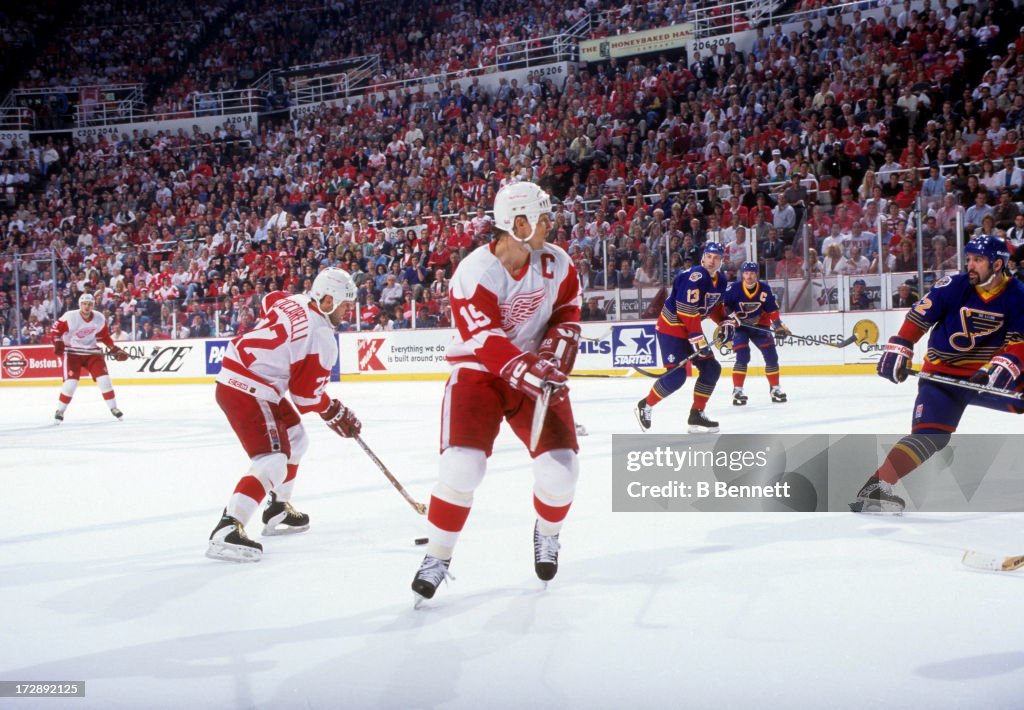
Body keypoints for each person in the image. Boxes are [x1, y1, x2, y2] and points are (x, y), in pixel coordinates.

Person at [411, 181, 581, 604]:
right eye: (541, 218)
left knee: (561, 472)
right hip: (479, 373)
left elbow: (568, 313)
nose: (549, 224)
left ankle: (548, 534)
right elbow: (485, 340)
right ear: (517, 222)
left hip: (534, 371)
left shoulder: (558, 263)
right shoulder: (474, 272)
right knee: (461, 468)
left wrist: (555, 353)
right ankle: (438, 556)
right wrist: (531, 370)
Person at [854, 235, 1024, 513]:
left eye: (977, 260)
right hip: (941, 377)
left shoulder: (1017, 295)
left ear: (997, 264)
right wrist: (902, 345)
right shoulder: (954, 285)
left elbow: (1020, 340)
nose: (970, 265)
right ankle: (876, 487)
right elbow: (919, 316)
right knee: (931, 436)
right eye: (968, 258)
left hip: (984, 379)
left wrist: (1007, 363)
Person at [207, 268, 362, 562]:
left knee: (297, 439)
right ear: (327, 300)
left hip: (245, 376)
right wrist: (333, 411)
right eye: (345, 304)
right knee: (273, 461)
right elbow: (304, 398)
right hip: (250, 388)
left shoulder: (294, 300)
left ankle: (278, 508)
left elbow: (270, 300)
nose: (348, 311)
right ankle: (228, 527)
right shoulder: (322, 336)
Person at [635, 242, 729, 434]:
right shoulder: (694, 277)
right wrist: (697, 339)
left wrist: (725, 323)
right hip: (672, 329)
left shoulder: (721, 280)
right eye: (709, 256)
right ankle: (645, 405)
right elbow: (686, 311)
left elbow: (715, 307)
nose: (712, 261)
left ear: (721, 261)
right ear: (703, 256)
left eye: (716, 258)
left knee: (711, 368)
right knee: (677, 377)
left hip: (691, 329)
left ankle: (697, 414)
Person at [50, 292, 130, 423]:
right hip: (72, 353)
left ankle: (114, 408)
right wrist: (57, 341)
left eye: (90, 304)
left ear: (93, 305)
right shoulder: (70, 316)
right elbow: (55, 330)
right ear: (80, 304)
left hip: (92, 352)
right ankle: (60, 411)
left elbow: (104, 336)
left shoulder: (99, 318)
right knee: (71, 383)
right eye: (84, 304)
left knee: (104, 380)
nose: (87, 307)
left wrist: (114, 348)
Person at [722, 262, 792, 406]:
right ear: (742, 274)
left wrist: (778, 326)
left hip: (760, 326)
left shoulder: (764, 289)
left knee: (771, 356)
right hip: (740, 328)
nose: (749, 276)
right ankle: (738, 390)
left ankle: (775, 389)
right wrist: (732, 316)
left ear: (756, 274)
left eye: (752, 273)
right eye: (746, 273)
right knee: (743, 356)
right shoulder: (734, 288)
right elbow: (724, 305)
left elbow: (772, 310)